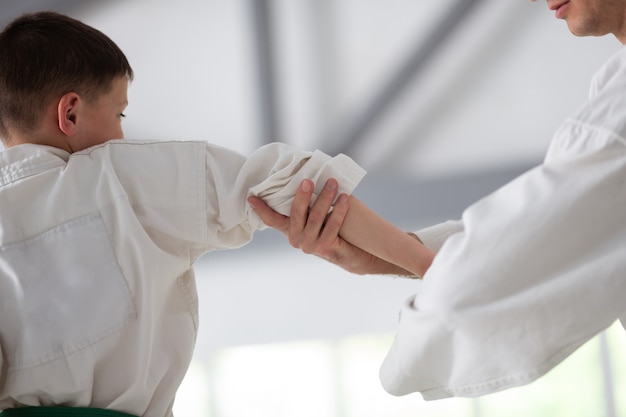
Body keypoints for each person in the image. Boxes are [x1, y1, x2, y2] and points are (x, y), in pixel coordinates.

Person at [0, 11, 435, 417]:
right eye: (119, 112)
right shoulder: (114, 176)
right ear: (70, 112)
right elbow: (296, 183)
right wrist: (428, 266)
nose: (121, 132)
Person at [250, 0, 626, 401]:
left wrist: (420, 263)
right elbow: (552, 236)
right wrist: (391, 255)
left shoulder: (613, 124)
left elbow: (478, 287)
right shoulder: (607, 98)